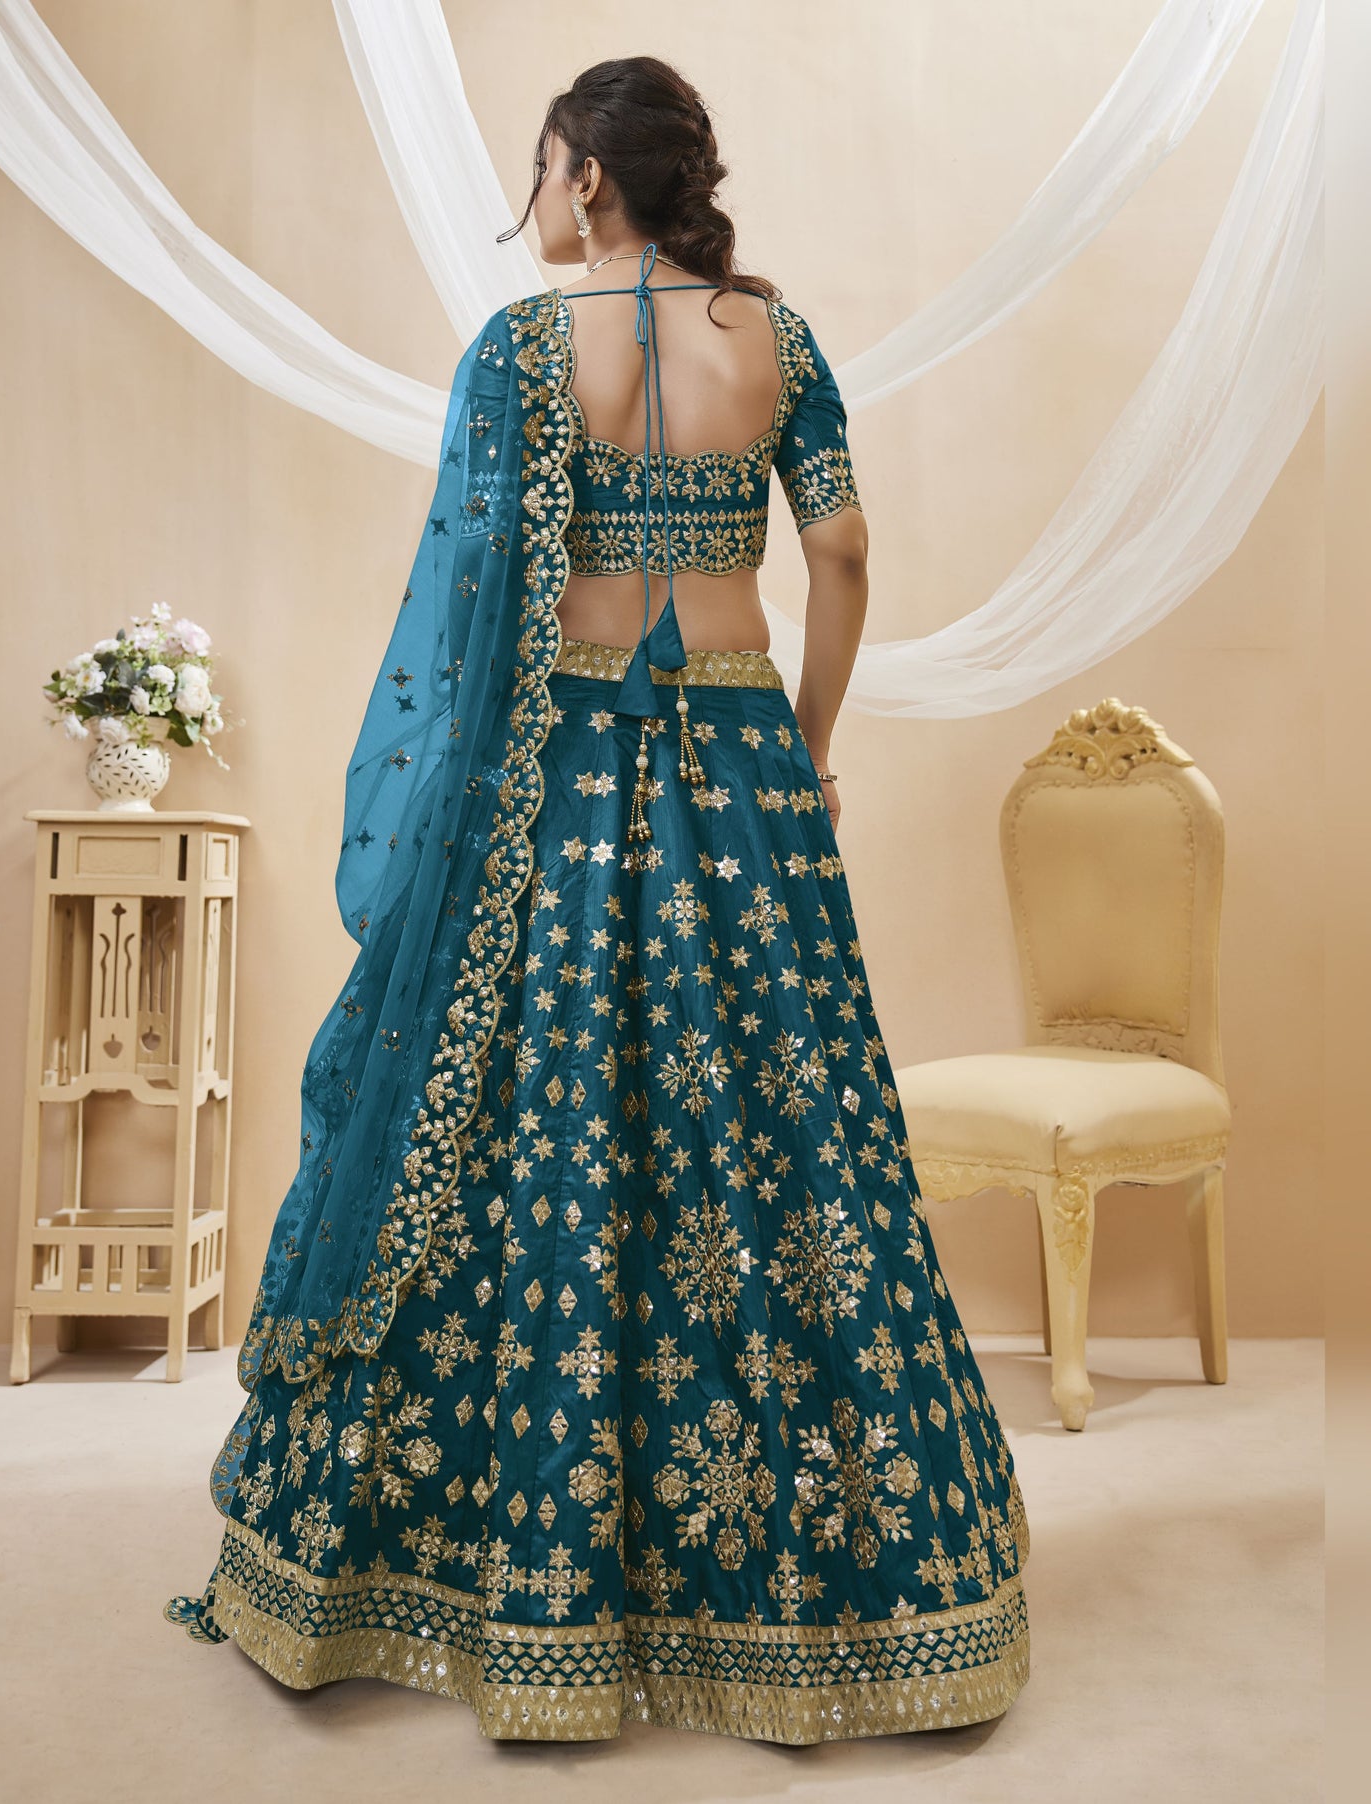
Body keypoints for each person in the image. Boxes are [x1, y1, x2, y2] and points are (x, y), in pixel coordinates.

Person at [167, 54, 1029, 1745]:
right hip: (740, 770)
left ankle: (488, 1578)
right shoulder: (771, 340)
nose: (534, 196)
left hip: (558, 783)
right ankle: (849, 1604)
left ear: (583, 175)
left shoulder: (518, 352)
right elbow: (842, 552)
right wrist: (805, 738)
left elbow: (474, 595)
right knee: (786, 1140)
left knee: (535, 1127)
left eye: (541, 166)